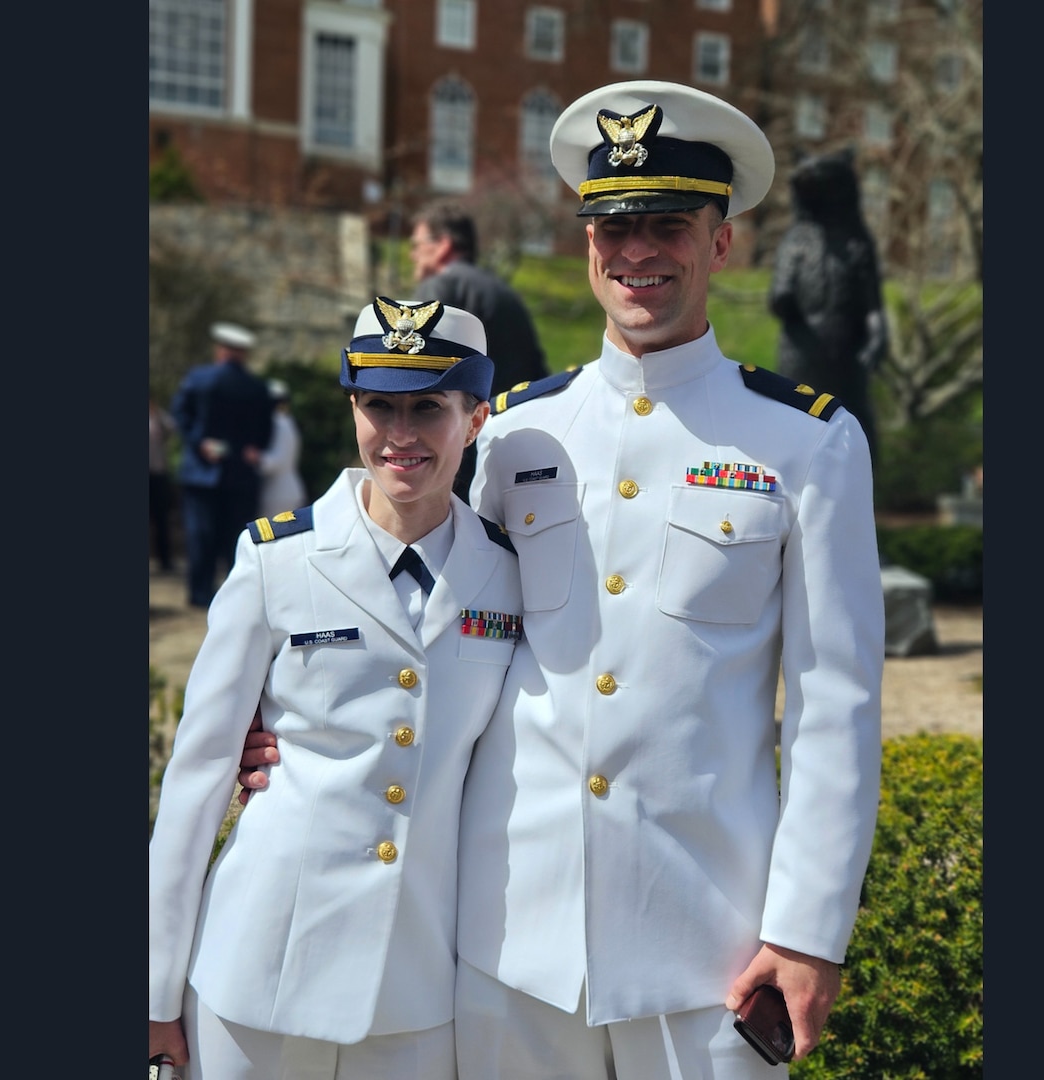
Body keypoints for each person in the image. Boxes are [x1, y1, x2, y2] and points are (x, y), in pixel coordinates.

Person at [238, 80, 885, 1077]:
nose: (635, 252)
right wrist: (273, 715)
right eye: (610, 226)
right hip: (506, 934)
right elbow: (415, 610)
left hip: (705, 945)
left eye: (666, 223)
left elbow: (835, 702)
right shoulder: (516, 430)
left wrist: (807, 929)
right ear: (586, 244)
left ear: (721, 242)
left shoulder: (805, 443)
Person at [150, 299, 525, 1079]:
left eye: (428, 407)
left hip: (416, 992)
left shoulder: (511, 572)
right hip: (257, 973)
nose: (401, 433)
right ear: (351, 406)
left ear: (478, 416)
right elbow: (195, 781)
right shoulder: (276, 560)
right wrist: (154, 992)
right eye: (378, 405)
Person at [408, 200, 551, 503]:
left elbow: (418, 381)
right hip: (520, 447)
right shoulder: (506, 294)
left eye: (417, 245)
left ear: (442, 245)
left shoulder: (440, 288)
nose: (412, 255)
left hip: (463, 460)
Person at [767, 146, 891, 471]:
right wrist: (784, 299)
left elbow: (872, 304)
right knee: (796, 419)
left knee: (852, 423)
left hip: (846, 352)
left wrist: (878, 337)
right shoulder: (796, 238)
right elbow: (780, 293)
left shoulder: (857, 242)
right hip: (801, 351)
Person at [171, 322, 275, 608]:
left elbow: (180, 414)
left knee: (199, 533)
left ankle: (199, 591)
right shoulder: (256, 387)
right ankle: (235, 591)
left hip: (200, 472)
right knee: (235, 536)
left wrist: (198, 443)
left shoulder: (199, 378)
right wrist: (254, 449)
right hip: (241, 473)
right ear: (243, 353)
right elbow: (265, 431)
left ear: (220, 350)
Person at [256, 378, 306, 517]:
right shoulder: (287, 421)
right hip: (286, 490)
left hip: (278, 494)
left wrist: (255, 458)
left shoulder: (279, 423)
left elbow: (278, 461)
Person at [149, 395, 179, 573]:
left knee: (161, 519)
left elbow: (172, 428)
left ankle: (165, 560)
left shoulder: (158, 418)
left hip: (158, 474)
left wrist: (156, 412)